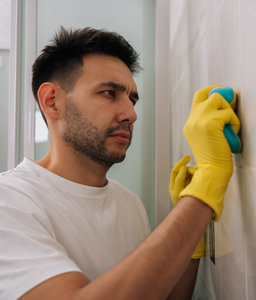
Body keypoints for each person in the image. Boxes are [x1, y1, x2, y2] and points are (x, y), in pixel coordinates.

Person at [0, 27, 240, 299]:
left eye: (132, 99)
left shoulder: (129, 204)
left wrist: (193, 234)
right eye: (109, 93)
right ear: (52, 101)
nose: (130, 114)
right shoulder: (9, 201)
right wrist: (202, 194)